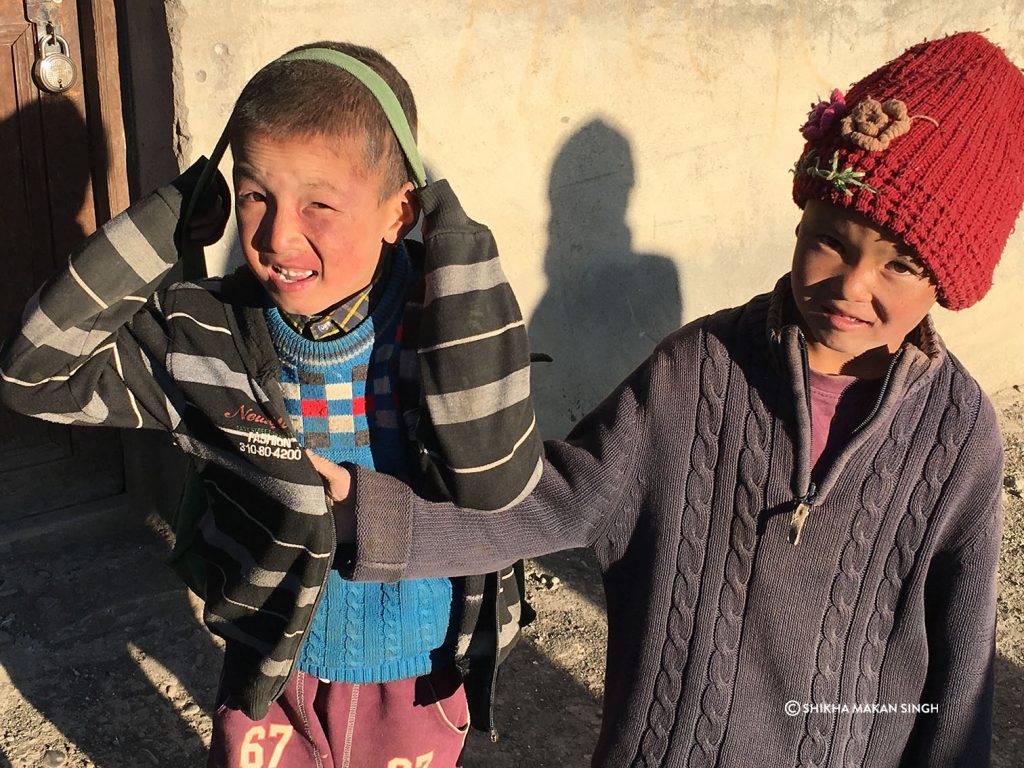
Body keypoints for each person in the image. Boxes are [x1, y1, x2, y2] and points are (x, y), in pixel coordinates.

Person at [320, 32, 1024, 766]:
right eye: (830, 240)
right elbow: (555, 498)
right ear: (800, 218)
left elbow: (961, 667)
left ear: (952, 278)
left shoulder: (959, 437)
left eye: (901, 264)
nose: (852, 286)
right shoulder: (700, 369)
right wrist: (372, 516)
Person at [0, 41, 542, 767]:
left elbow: (496, 484)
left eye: (320, 202)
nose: (278, 234)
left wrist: (454, 237)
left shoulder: (447, 326)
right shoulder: (206, 337)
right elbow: (32, 374)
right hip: (273, 675)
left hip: (420, 676)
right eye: (255, 194)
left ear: (400, 211)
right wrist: (166, 221)